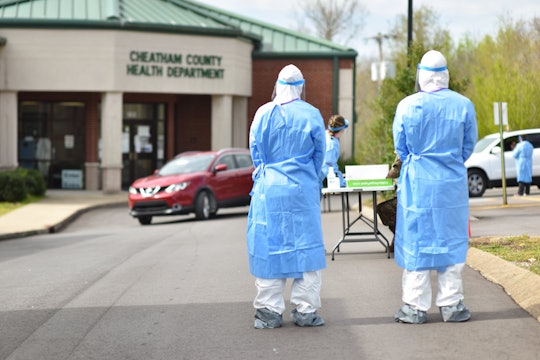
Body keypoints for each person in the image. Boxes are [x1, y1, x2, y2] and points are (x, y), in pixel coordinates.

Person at [392, 50, 478, 324]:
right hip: (451, 184)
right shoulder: (463, 105)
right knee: (450, 240)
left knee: (418, 241)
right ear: (445, 74)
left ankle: (415, 307)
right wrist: (448, 161)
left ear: (421, 74)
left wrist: (418, 162)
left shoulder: (407, 105)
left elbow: (401, 147)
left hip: (417, 183)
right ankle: (451, 305)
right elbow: (468, 146)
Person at [247, 64, 327, 329]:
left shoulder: (262, 114)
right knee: (306, 249)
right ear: (301, 86)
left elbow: (256, 153)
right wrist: (308, 179)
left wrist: (269, 173)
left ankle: (269, 311)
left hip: (269, 191)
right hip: (301, 190)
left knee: (270, 248)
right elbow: (319, 156)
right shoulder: (312, 114)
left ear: (278, 85)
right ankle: (305, 310)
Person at [322, 115, 349, 187]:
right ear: (341, 130)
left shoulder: (324, 134)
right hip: (324, 180)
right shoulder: (332, 145)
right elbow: (330, 167)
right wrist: (341, 181)